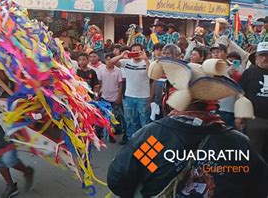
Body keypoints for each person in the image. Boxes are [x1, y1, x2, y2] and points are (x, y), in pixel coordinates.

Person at [107, 58, 268, 197]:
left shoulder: (154, 138)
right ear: (212, 102)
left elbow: (119, 180)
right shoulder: (238, 143)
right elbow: (258, 187)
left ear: (170, 96)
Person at [110, 43, 150, 142]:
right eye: (133, 50)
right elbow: (111, 62)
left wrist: (145, 59)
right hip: (129, 96)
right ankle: (132, 142)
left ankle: (144, 142)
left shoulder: (147, 62)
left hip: (143, 96)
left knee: (145, 121)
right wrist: (121, 55)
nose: (136, 53)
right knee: (131, 121)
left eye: (138, 51)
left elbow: (151, 74)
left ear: (143, 51)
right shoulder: (126, 62)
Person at [240, 42, 268, 161]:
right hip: (254, 119)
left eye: (267, 55)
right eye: (262, 55)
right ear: (256, 58)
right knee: (254, 152)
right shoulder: (249, 73)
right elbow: (240, 94)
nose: (265, 58)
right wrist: (239, 116)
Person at [210, 44, 241, 127]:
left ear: (226, 54)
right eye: (213, 52)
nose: (216, 54)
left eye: (219, 51)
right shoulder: (208, 67)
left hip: (230, 108)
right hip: (213, 107)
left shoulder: (235, 67)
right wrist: (227, 74)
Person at [100, 53, 124, 143]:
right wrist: (98, 94)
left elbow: (121, 84)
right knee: (106, 118)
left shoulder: (118, 71)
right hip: (104, 97)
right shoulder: (102, 70)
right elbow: (100, 82)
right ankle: (110, 135)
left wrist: (119, 96)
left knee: (115, 117)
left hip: (115, 97)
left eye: (111, 59)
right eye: (107, 60)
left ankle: (116, 132)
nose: (109, 62)